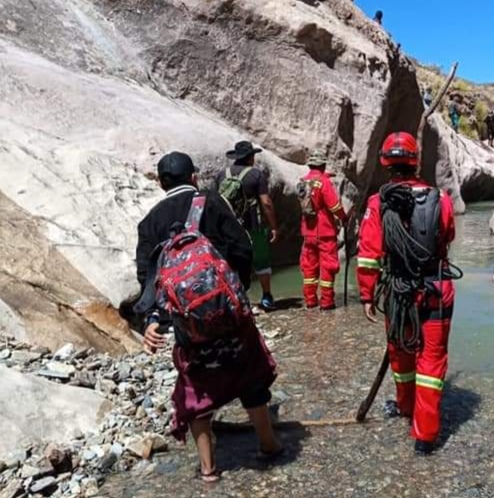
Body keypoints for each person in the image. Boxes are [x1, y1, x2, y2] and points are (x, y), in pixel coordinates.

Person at [136, 152, 282, 482]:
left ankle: (208, 469)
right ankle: (269, 445)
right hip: (229, 312)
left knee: (196, 382)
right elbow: (241, 248)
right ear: (194, 178)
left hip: (189, 323)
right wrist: (236, 291)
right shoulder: (210, 202)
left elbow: (148, 274)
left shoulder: (151, 222)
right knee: (250, 371)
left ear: (161, 183)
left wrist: (153, 320)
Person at [357, 132, 457, 456]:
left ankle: (405, 407)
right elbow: (448, 236)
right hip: (435, 290)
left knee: (401, 355)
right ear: (415, 161)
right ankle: (425, 438)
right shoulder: (440, 199)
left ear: (385, 163)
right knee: (431, 361)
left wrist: (367, 296)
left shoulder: (378, 203)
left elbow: (369, 256)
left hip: (400, 294)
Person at [217, 141, 279, 311]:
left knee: (232, 262)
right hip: (253, 225)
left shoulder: (222, 175)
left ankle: (237, 299)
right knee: (261, 259)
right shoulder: (255, 175)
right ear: (250, 157)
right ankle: (266, 297)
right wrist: (274, 226)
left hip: (228, 227)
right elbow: (266, 202)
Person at [298, 150, 348, 310]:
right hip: (324, 231)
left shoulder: (303, 181)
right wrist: (344, 217)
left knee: (309, 266)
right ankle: (326, 302)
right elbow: (334, 206)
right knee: (328, 266)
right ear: (323, 165)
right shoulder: (324, 182)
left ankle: (310, 300)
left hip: (308, 231)